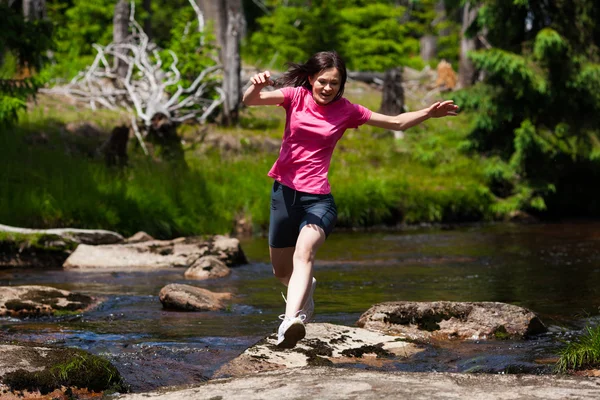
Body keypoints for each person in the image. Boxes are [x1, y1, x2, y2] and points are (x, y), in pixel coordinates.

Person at [242, 51, 458, 349]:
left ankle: (289, 323)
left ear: (341, 84)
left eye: (334, 83)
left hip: (319, 201)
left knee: (304, 253)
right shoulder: (294, 97)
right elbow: (250, 101)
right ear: (311, 79)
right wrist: (256, 86)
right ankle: (306, 290)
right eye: (322, 82)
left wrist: (428, 113)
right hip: (283, 195)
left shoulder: (347, 110)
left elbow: (396, 122)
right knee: (281, 272)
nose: (328, 88)